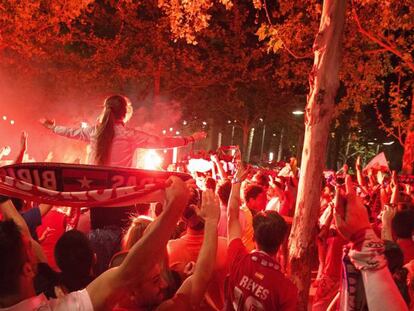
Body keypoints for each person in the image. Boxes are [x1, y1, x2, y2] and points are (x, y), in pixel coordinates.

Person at [40, 94, 207, 274]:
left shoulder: (94, 132)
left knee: (99, 246)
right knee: (123, 251)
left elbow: (70, 132)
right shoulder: (129, 135)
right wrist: (190, 139)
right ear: (126, 113)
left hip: (98, 202)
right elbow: (161, 142)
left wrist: (52, 127)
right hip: (123, 200)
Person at [0, 176, 192, 311]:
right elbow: (130, 273)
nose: (33, 243)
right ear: (27, 270)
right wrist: (175, 205)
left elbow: (21, 229)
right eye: (28, 245)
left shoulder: (37, 279)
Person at [226, 162, 298, 310]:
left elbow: (231, 216)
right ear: (281, 241)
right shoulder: (287, 288)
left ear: (255, 237)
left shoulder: (238, 258)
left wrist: (236, 182)